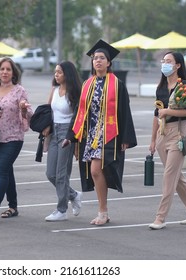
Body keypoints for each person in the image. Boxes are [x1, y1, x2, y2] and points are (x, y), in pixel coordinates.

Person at [63, 39, 137, 226]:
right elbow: (79, 112)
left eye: (102, 58)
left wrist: (126, 137)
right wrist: (70, 136)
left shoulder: (117, 84)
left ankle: (103, 212)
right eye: (95, 58)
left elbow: (124, 111)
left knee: (96, 169)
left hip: (109, 132)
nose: (98, 61)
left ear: (109, 62)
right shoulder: (87, 84)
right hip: (90, 134)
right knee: (96, 172)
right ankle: (103, 210)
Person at [148, 51, 186, 230]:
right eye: (163, 61)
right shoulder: (161, 87)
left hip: (177, 135)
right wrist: (152, 140)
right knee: (176, 177)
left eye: (169, 61)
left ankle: (160, 217)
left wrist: (168, 112)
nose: (165, 64)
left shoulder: (184, 86)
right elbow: (156, 114)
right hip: (162, 136)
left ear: (178, 65)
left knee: (169, 177)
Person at [0, 57, 33, 222]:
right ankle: (13, 206)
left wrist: (23, 109)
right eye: (2, 69)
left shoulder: (19, 90)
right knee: (7, 171)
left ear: (13, 72)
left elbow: (29, 113)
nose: (4, 72)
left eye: (8, 69)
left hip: (13, 137)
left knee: (1, 170)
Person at [43, 61, 83, 222]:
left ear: (68, 74)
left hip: (68, 132)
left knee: (61, 174)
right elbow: (48, 110)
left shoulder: (74, 92)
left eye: (59, 72)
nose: (56, 75)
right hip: (54, 132)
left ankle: (61, 210)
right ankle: (73, 195)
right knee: (51, 173)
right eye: (55, 72)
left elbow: (78, 117)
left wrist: (73, 138)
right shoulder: (54, 90)